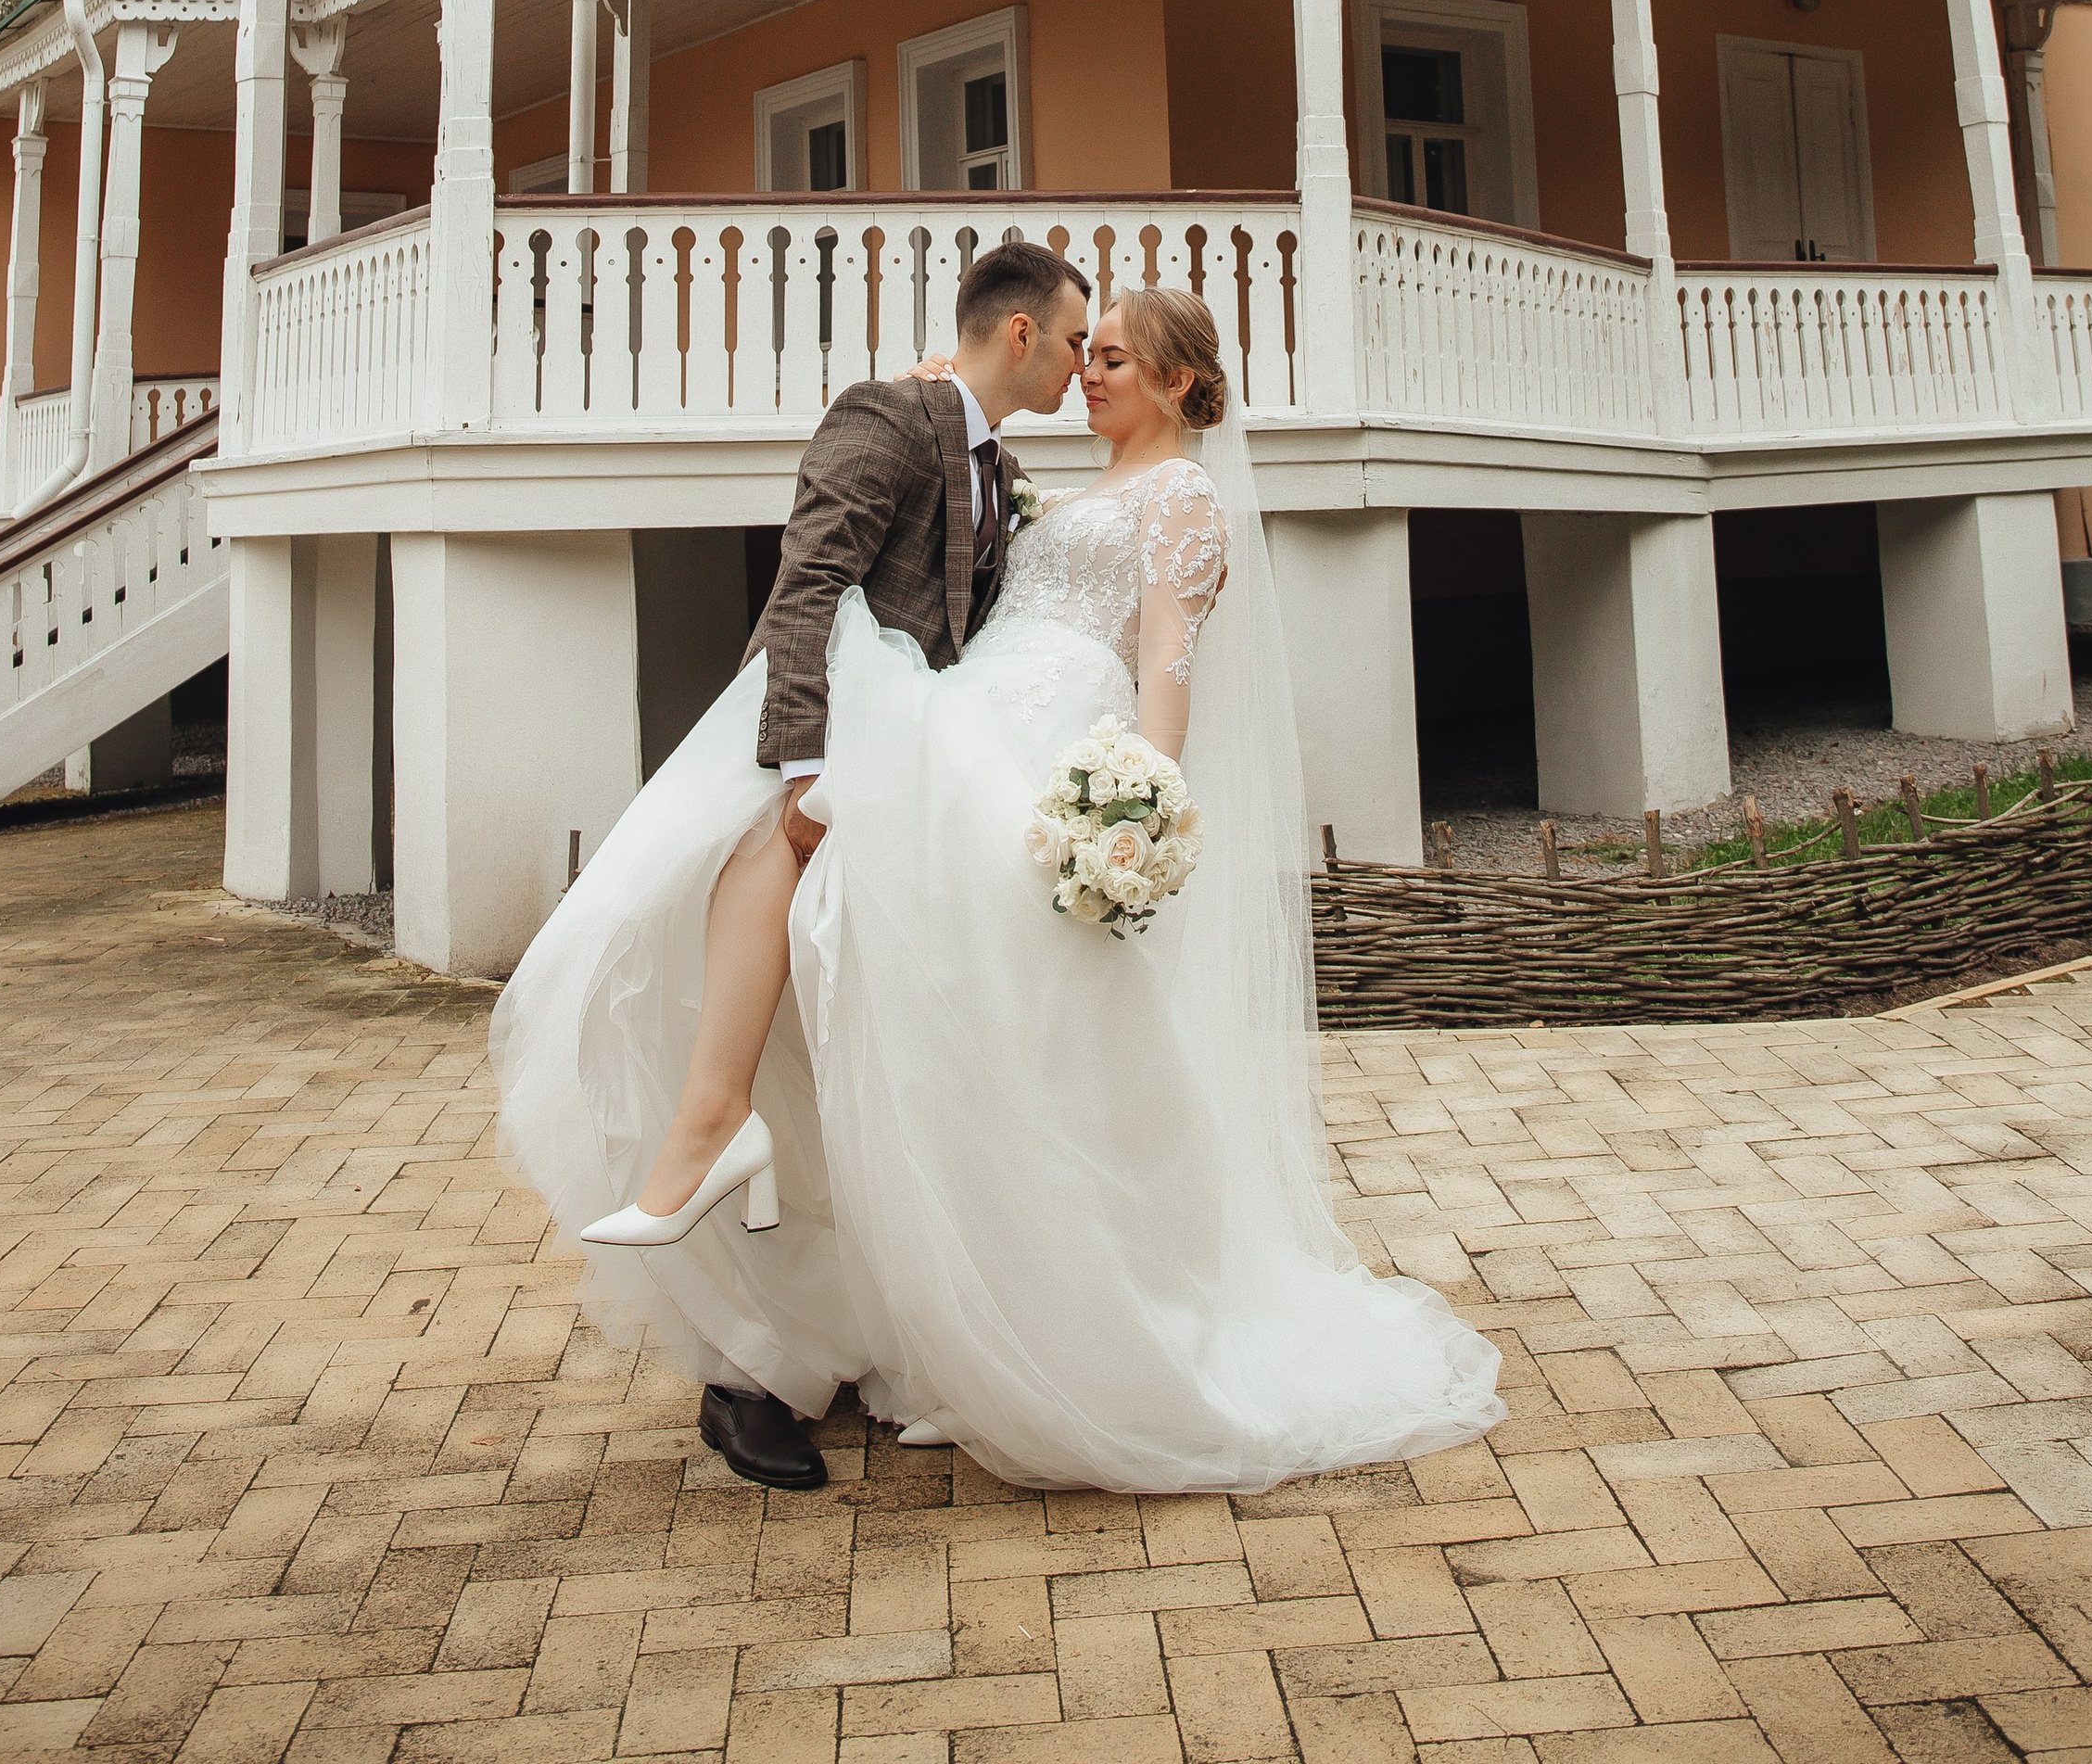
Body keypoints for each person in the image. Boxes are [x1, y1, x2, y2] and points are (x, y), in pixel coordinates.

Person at [491, 263, 1502, 1496]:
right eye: (1082, 347)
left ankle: (997, 1337)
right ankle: (820, 1251)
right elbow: (921, 526)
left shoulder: (1182, 495)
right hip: (967, 740)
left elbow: (1168, 659)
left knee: (1014, 1044)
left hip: (1049, 760)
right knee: (902, 1006)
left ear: (1176, 380)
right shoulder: (1033, 482)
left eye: (1112, 356)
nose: (1088, 370)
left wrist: (1139, 804)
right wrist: (943, 394)